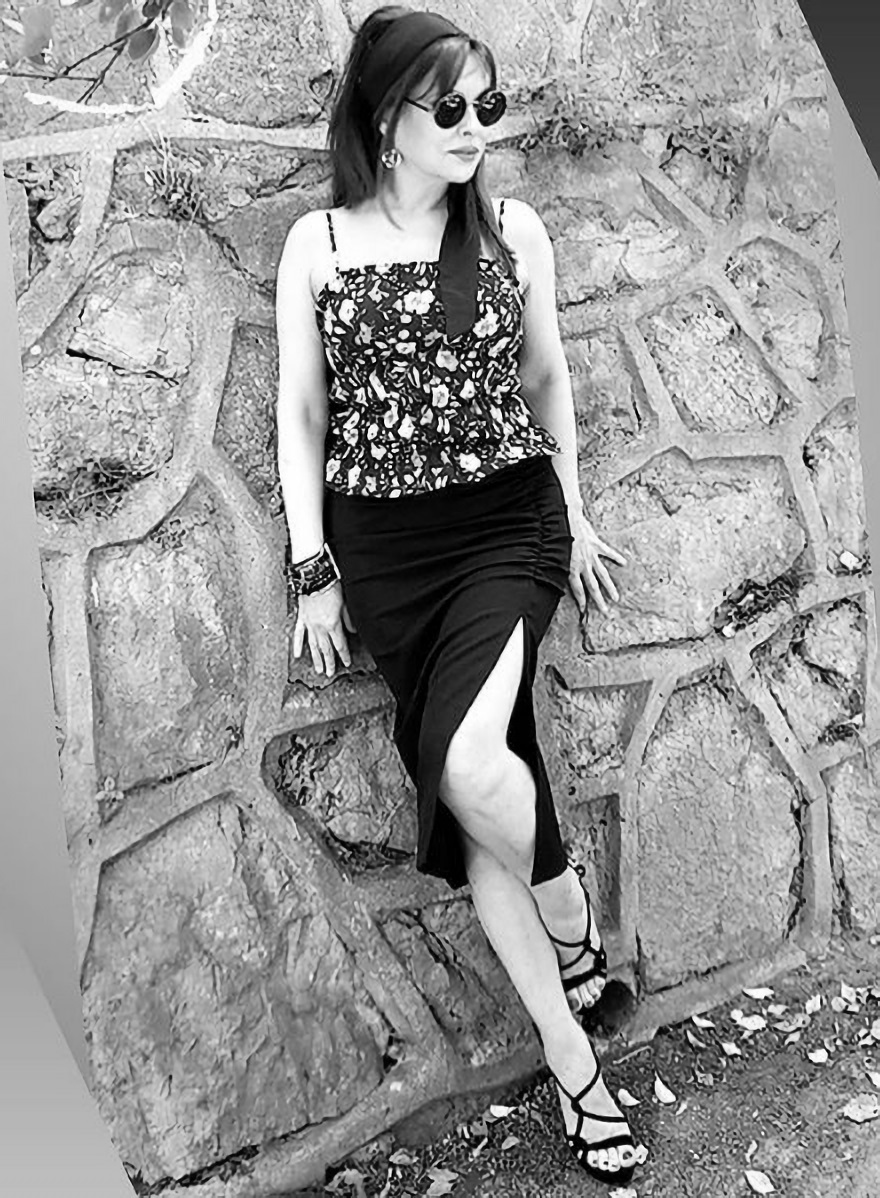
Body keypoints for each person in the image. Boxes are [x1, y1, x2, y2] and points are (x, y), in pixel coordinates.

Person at [275, 5, 638, 1185]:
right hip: (387, 560)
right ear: (387, 122)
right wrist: (313, 569)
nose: (477, 125)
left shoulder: (513, 230)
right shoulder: (319, 246)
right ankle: (575, 1066)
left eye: (490, 103)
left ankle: (571, 918)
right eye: (451, 107)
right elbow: (302, 414)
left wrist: (575, 512)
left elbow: (546, 378)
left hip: (503, 528)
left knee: (473, 766)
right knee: (468, 802)